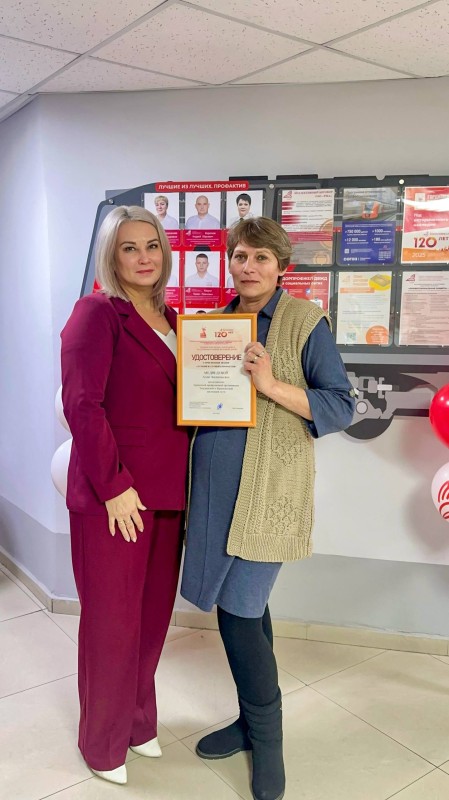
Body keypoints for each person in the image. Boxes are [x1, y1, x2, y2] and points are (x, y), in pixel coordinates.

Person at [181, 217, 355, 800]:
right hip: (215, 494)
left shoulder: (306, 322)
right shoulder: (215, 324)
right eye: (240, 255)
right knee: (246, 610)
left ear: (282, 266)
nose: (248, 266)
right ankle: (248, 724)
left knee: (239, 614)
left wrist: (272, 385)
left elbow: (340, 405)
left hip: (270, 491)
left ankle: (268, 741)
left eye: (261, 257)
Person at [61, 206, 189, 786]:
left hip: (168, 494)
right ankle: (102, 742)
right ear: (110, 256)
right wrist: (114, 486)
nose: (143, 258)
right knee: (112, 625)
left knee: (152, 620)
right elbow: (82, 405)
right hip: (115, 497)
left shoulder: (175, 320)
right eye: (129, 248)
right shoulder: (96, 313)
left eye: (152, 246)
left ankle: (138, 723)